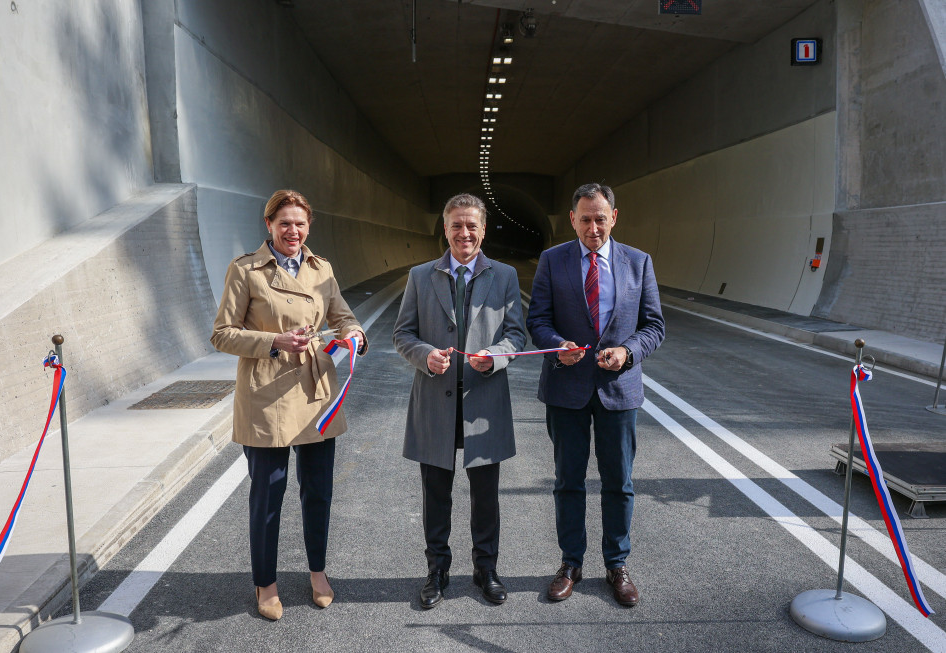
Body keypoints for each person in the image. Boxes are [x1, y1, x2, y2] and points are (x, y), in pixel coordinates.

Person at [210, 190, 366, 619]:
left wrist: (353, 335)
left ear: (309, 226)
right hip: (266, 394)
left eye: (299, 223)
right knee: (268, 495)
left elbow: (344, 316)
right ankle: (266, 584)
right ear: (269, 226)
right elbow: (222, 333)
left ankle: (318, 572)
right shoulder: (245, 270)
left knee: (318, 492)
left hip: (316, 394)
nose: (292, 231)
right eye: (284, 223)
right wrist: (274, 341)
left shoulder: (322, 269)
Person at [526, 182, 664, 607]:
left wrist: (627, 352)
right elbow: (538, 319)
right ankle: (570, 563)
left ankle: (617, 564)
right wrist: (557, 345)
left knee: (618, 483)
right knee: (568, 481)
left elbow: (654, 326)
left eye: (600, 218)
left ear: (614, 218)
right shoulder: (553, 260)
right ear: (572, 219)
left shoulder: (638, 263)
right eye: (585, 219)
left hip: (618, 391)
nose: (593, 227)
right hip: (565, 390)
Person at [393, 193, 526, 609]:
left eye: (472, 226)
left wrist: (497, 356)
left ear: (483, 230)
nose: (464, 233)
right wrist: (424, 357)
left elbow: (517, 335)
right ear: (445, 229)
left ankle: (486, 569)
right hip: (435, 399)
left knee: (485, 495)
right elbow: (402, 334)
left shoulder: (504, 276)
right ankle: (437, 570)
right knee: (436, 494)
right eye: (456, 225)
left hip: (483, 403)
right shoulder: (420, 276)